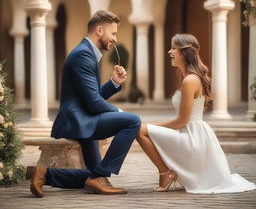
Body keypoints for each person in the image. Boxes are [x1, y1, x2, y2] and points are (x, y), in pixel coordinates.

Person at [26, 10, 141, 197]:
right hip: (79, 120)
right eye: (113, 33)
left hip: (83, 117)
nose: (115, 39)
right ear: (99, 30)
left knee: (95, 175)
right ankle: (98, 177)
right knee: (132, 121)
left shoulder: (86, 53)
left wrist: (114, 84)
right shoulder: (83, 55)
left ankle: (44, 174)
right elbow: (94, 103)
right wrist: (119, 112)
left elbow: (91, 97)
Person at [136, 33, 256, 194]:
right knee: (141, 129)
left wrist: (152, 126)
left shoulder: (190, 80)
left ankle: (166, 173)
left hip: (192, 138)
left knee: (139, 129)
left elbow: (182, 121)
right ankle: (167, 172)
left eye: (173, 48)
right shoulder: (188, 78)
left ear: (185, 53)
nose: (169, 52)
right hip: (190, 134)